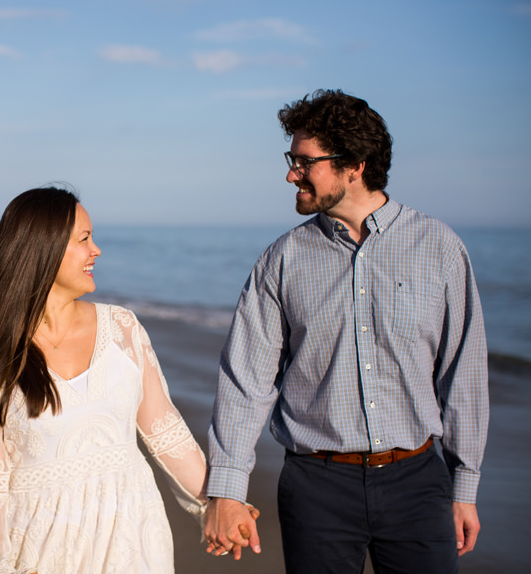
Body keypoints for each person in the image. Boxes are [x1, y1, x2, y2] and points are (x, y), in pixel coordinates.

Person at [203, 90, 489, 573]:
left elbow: (463, 375)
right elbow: (245, 381)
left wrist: (465, 486)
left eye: (304, 162)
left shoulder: (439, 247)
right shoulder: (281, 260)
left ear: (354, 165)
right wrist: (226, 492)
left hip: (419, 484)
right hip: (315, 488)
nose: (291, 174)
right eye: (292, 160)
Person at [0, 186, 237, 573]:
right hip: (42, 550)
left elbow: (165, 430)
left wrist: (217, 503)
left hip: (134, 537)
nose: (97, 250)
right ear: (44, 248)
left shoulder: (122, 328)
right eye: (84, 239)